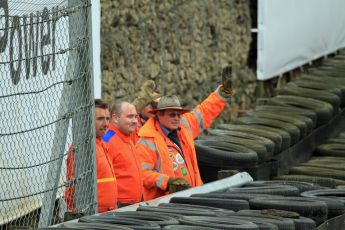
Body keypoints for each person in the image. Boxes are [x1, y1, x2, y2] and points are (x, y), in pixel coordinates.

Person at [135, 66, 235, 201]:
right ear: (159, 115)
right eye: (172, 114)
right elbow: (143, 174)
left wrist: (221, 94)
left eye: (178, 114)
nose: (177, 118)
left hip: (193, 197)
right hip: (165, 205)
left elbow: (205, 111)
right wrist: (167, 181)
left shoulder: (184, 124)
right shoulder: (146, 141)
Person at [65, 99, 118, 213]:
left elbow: (118, 127)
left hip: (108, 212)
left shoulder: (101, 142)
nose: (106, 124)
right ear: (88, 120)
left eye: (107, 119)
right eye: (100, 119)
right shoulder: (82, 147)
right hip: (93, 214)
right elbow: (72, 187)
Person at [102, 101, 144, 207]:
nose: (135, 121)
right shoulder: (107, 138)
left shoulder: (127, 136)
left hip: (132, 203)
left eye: (136, 116)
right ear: (115, 118)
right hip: (118, 205)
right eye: (130, 117)